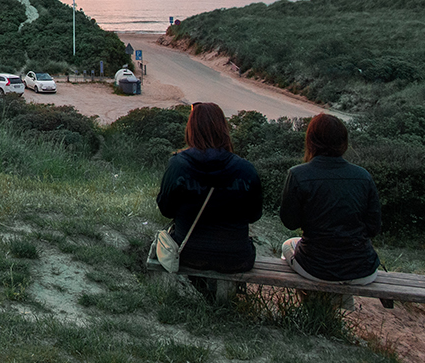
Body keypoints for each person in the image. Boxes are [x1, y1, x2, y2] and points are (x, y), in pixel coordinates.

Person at [155, 102, 263, 273]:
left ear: (191, 129)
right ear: (223, 129)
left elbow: (166, 209)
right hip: (236, 258)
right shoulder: (245, 169)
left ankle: (200, 289)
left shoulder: (178, 165)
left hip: (188, 254)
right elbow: (254, 215)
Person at [278, 113, 382, 284]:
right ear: (343, 142)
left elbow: (290, 222)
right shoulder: (363, 176)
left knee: (288, 245)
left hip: (317, 268)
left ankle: (314, 301)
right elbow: (373, 228)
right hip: (362, 270)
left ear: (311, 141)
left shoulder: (298, 174)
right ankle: (339, 301)